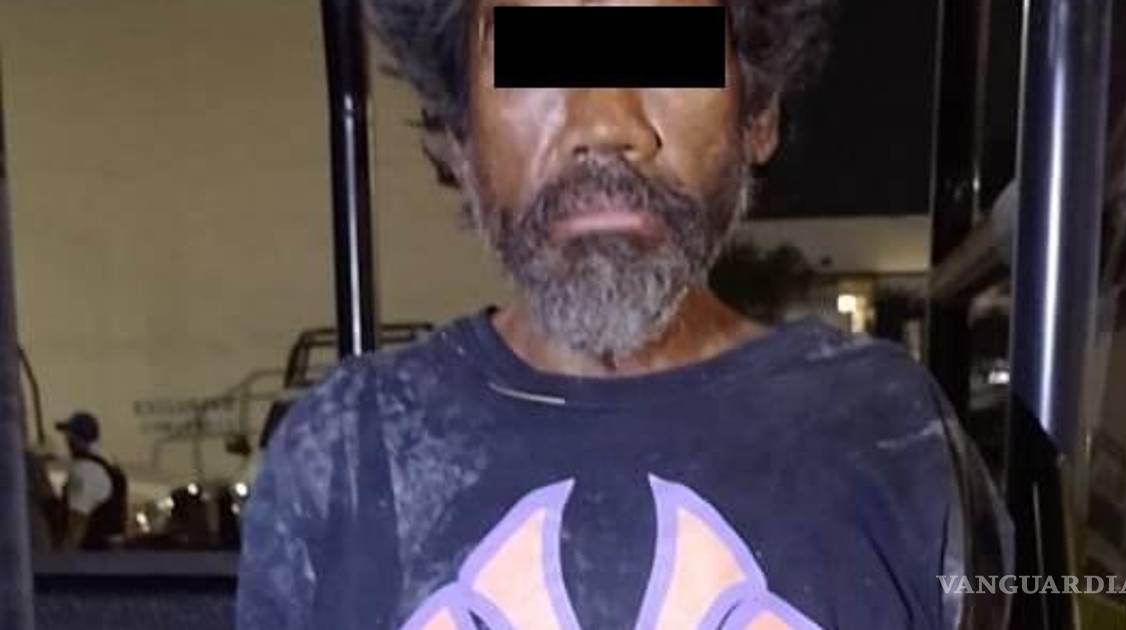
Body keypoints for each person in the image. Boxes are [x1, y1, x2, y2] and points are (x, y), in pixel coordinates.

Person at [237, 1, 1012, 629]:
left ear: (757, 113)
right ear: (459, 133)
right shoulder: (345, 453)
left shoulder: (890, 431)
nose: (605, 124)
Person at [55, 411, 128, 550]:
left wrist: (64, 557)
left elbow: (78, 522)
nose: (66, 441)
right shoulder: (109, 466)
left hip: (91, 554)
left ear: (74, 438)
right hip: (111, 552)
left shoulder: (84, 470)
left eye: (69, 436)